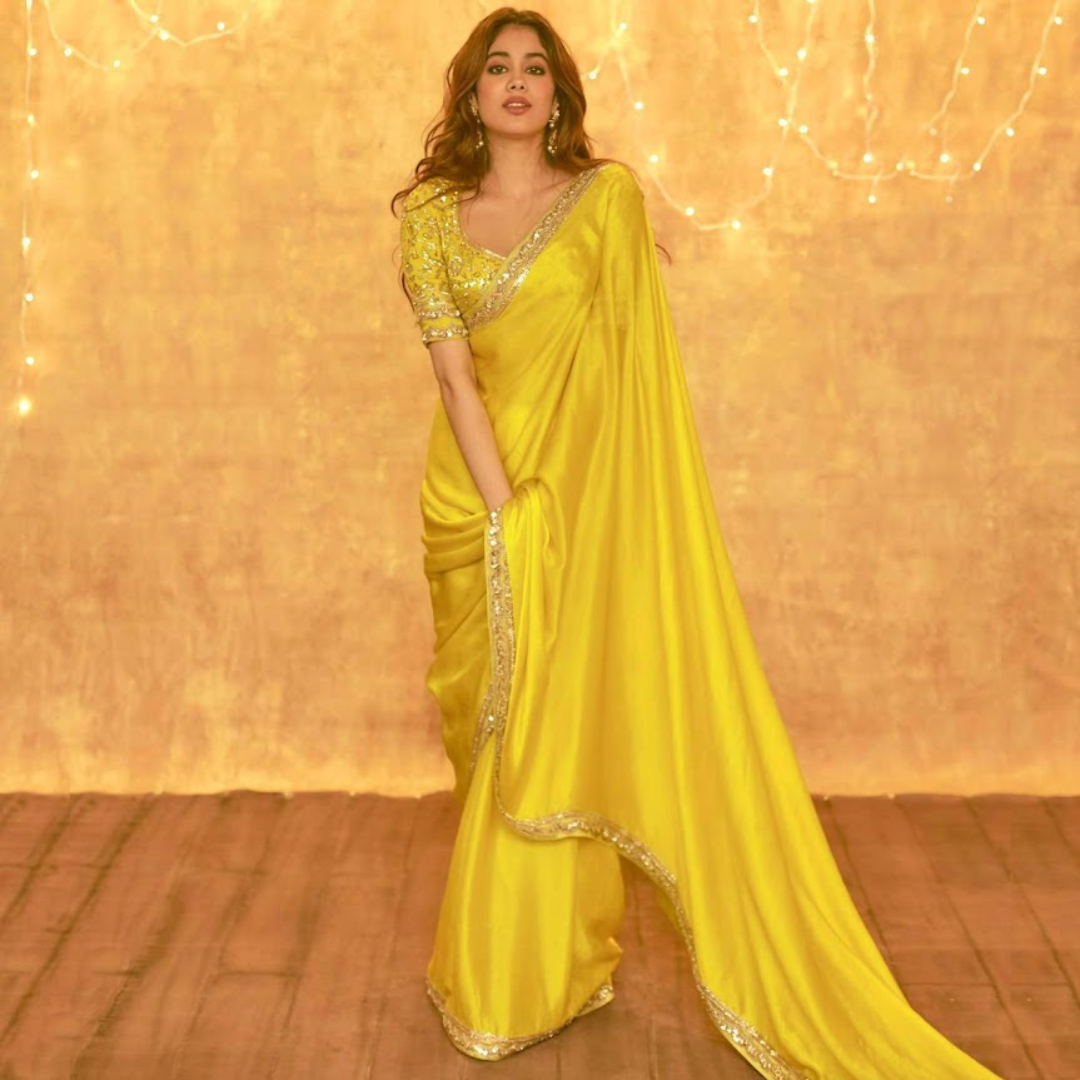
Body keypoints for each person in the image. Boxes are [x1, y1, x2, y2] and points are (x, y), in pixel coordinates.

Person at [392, 9, 1004, 1079]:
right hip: (483, 503)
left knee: (562, 715)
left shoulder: (605, 203)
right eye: (498, 68)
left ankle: (531, 976)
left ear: (559, 94)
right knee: (497, 732)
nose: (518, 82)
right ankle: (525, 968)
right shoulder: (433, 220)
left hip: (586, 508)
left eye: (537, 68)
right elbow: (455, 380)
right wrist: (506, 516)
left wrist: (569, 514)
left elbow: (632, 379)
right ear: (472, 94)